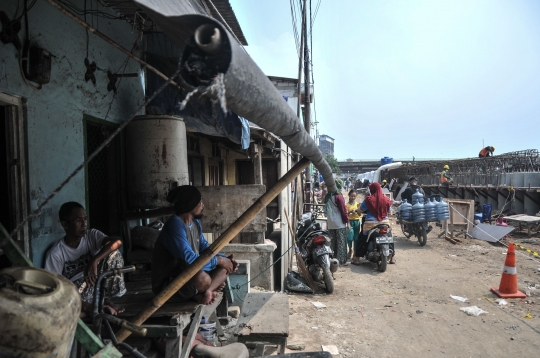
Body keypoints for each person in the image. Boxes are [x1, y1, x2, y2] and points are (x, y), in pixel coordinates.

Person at [152, 185, 238, 305]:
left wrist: (224, 259)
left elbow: (204, 250)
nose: (202, 205)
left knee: (225, 269)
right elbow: (189, 258)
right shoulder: (175, 225)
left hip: (188, 276)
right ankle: (204, 291)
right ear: (190, 204)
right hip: (168, 286)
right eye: (199, 202)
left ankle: (206, 292)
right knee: (203, 279)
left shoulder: (195, 223)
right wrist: (218, 260)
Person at [44, 202, 125, 317]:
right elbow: (54, 290)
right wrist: (86, 306)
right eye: (78, 221)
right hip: (77, 295)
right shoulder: (55, 253)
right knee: (63, 299)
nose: (84, 224)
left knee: (114, 253)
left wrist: (94, 260)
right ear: (65, 224)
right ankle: (92, 308)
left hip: (96, 286)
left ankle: (103, 302)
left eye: (85, 219)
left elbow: (117, 242)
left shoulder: (91, 235)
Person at [355, 182, 396, 264]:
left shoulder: (369, 199)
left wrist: (358, 211)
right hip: (385, 223)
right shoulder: (386, 199)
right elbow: (390, 212)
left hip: (371, 225)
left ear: (372, 190)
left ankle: (357, 259)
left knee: (362, 237)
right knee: (389, 237)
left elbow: (361, 210)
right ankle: (392, 257)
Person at [324, 179, 350, 266]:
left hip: (331, 223)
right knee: (341, 242)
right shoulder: (339, 196)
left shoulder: (328, 196)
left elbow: (325, 211)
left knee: (333, 242)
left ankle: (332, 258)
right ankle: (341, 261)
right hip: (339, 223)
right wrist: (347, 222)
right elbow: (343, 211)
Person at [346, 190, 360, 260]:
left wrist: (358, 210)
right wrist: (350, 212)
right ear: (349, 196)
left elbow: (360, 214)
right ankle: (350, 250)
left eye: (354, 196)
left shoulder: (357, 204)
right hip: (350, 222)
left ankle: (355, 252)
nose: (353, 197)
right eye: (351, 196)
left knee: (356, 238)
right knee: (349, 237)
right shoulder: (347, 205)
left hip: (357, 222)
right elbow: (345, 215)